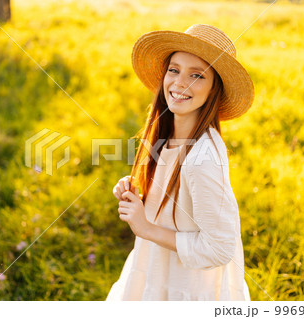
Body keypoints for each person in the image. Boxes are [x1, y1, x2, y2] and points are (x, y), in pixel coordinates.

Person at [106, 24, 254, 301]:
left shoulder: (201, 159)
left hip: (185, 288)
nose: (180, 83)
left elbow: (220, 248)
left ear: (213, 90)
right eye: (174, 70)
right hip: (155, 269)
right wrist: (137, 192)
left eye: (197, 75)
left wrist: (146, 228)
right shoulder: (166, 135)